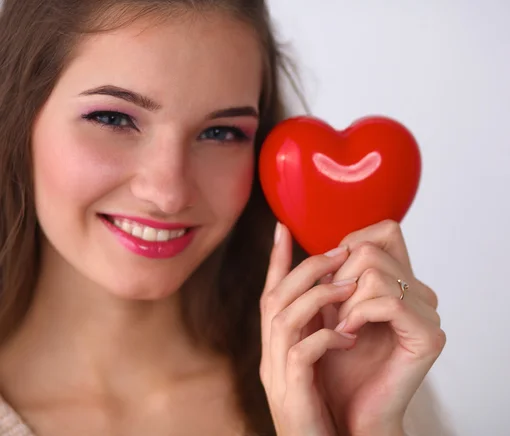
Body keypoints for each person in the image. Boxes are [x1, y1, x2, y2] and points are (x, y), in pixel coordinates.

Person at [0, 0, 446, 435]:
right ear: (18, 117)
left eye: (220, 132)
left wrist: (356, 427)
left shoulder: (359, 377)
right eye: (113, 118)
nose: (170, 193)